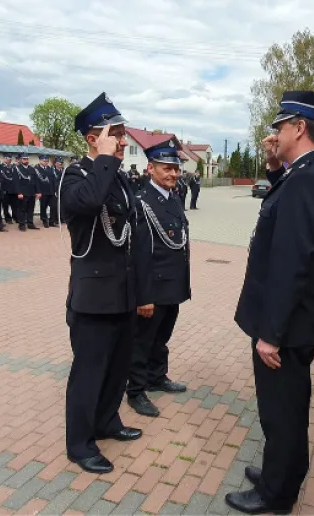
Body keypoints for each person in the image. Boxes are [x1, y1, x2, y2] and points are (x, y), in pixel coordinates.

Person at [226, 91, 314, 514]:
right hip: (296, 319)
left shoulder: (311, 178)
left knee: (281, 412)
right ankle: (285, 471)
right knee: (287, 407)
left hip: (287, 325)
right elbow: (286, 211)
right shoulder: (309, 173)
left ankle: (277, 494)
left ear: (299, 128)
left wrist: (270, 334)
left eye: (280, 127)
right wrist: (276, 167)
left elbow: (292, 262)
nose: (274, 134)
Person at [60, 92, 142, 474]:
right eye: (116, 134)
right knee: (88, 373)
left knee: (117, 367)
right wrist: (106, 159)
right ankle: (79, 444)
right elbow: (89, 203)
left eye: (123, 134)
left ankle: (108, 421)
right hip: (93, 297)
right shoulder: (75, 175)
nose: (123, 141)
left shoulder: (120, 178)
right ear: (93, 139)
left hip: (122, 292)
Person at [127, 137, 190, 418]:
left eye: (175, 169)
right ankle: (136, 390)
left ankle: (157, 377)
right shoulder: (142, 203)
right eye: (167, 168)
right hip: (154, 288)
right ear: (150, 168)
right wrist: (145, 295)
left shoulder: (173, 198)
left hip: (172, 285)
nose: (173, 174)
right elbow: (139, 254)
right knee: (142, 341)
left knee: (161, 337)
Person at [14, 153, 40, 231]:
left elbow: (36, 181)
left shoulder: (32, 169)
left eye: (27, 159)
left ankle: (30, 223)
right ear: (21, 160)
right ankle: (21, 225)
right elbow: (16, 182)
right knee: (22, 209)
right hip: (23, 193)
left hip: (31, 192)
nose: (26, 160)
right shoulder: (17, 168)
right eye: (24, 159)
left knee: (31, 209)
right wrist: (19, 192)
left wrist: (38, 191)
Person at [35, 155, 57, 228]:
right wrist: (38, 191)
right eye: (44, 161)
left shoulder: (50, 169)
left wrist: (55, 190)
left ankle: (51, 221)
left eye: (47, 161)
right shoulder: (36, 169)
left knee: (53, 206)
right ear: (40, 161)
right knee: (43, 207)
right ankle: (44, 220)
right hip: (43, 192)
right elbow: (36, 182)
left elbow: (54, 180)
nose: (46, 162)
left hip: (51, 191)